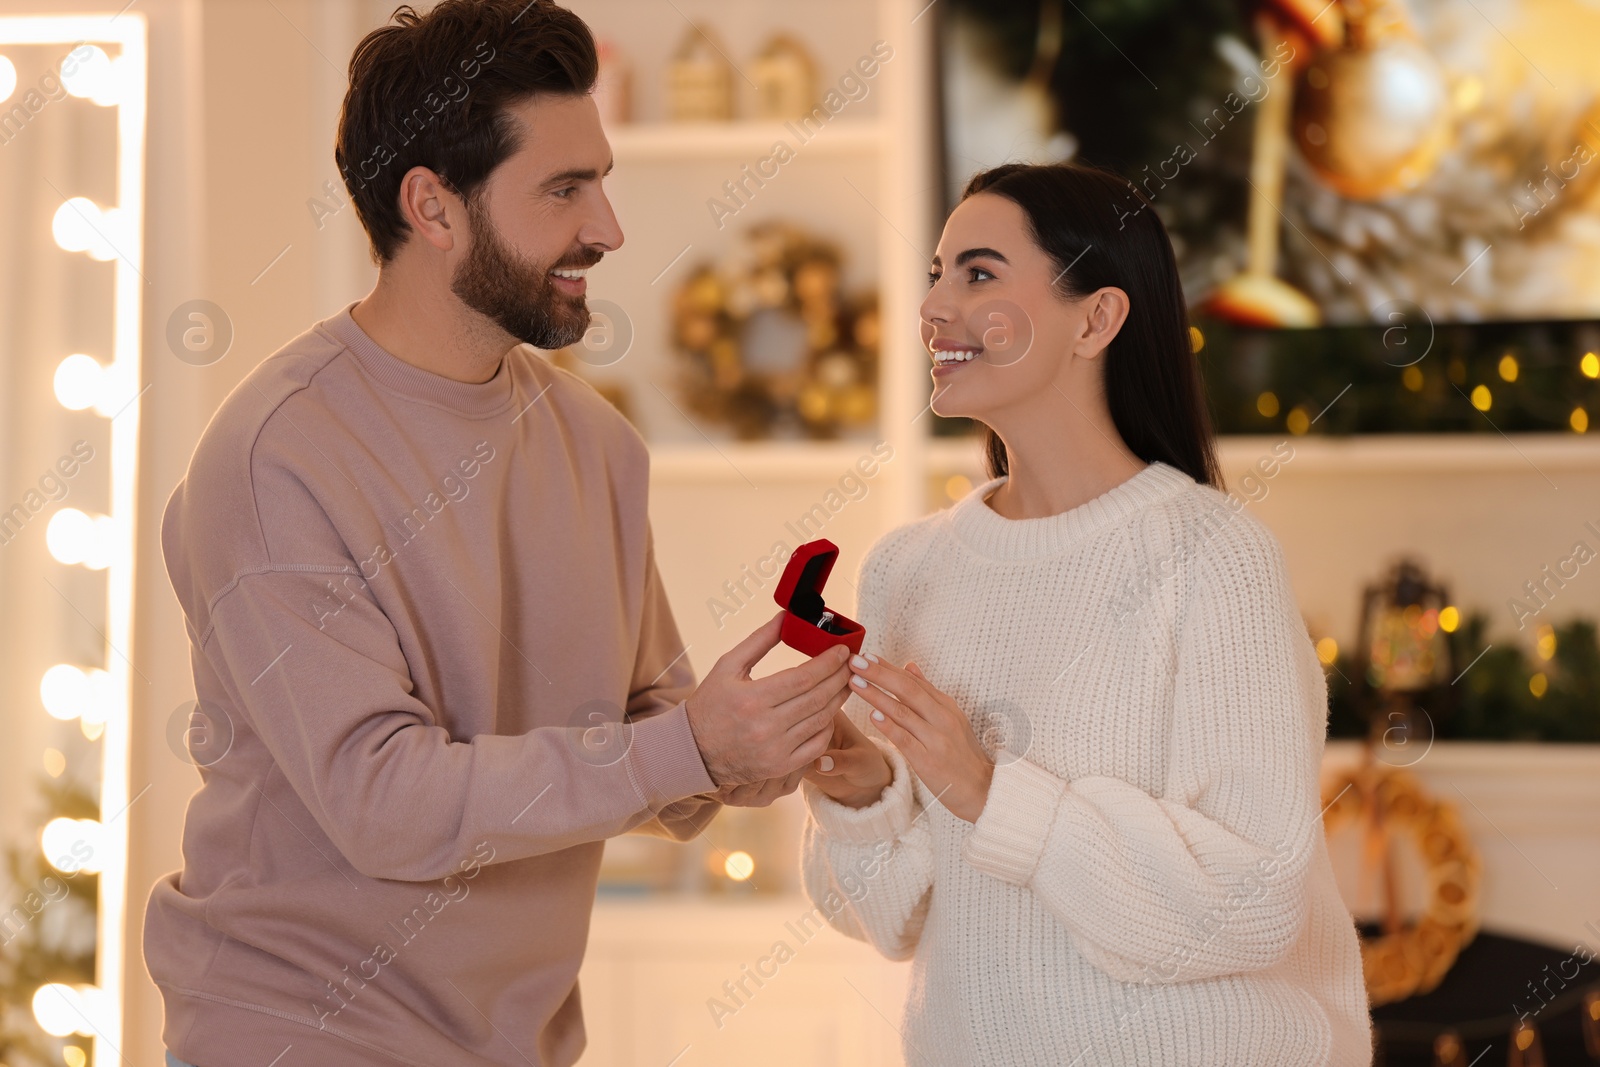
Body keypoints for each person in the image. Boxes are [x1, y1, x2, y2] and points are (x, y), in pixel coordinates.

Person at [146, 3, 848, 1065]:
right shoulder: (274, 456)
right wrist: (686, 746)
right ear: (431, 206)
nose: (607, 226)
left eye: (600, 179)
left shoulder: (596, 445)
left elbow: (647, 726)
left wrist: (755, 746)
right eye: (564, 189)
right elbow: (380, 798)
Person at [799, 161, 1374, 1065]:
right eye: (935, 275)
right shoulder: (908, 571)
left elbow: (1257, 898)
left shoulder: (1212, 558)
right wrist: (857, 789)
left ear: (1098, 318)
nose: (935, 309)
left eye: (978, 274)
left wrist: (990, 791)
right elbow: (887, 920)